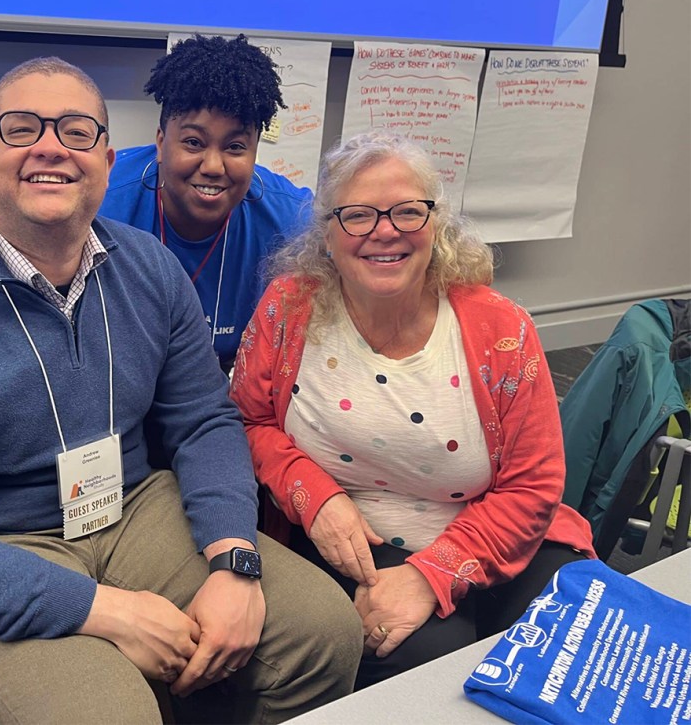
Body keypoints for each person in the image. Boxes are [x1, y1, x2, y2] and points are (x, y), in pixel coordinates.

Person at [0, 57, 361, 724]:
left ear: (109, 160)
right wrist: (107, 611)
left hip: (133, 504)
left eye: (77, 131)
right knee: (111, 713)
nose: (50, 146)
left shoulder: (152, 268)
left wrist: (235, 554)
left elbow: (203, 421)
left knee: (323, 631)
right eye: (22, 128)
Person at [229, 131, 596, 690]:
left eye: (407, 211)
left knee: (582, 646)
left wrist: (433, 575)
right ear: (327, 233)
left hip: (500, 537)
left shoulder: (501, 329)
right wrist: (312, 493)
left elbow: (533, 488)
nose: (385, 231)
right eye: (357, 215)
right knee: (426, 669)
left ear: (436, 224)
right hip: (357, 551)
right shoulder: (289, 307)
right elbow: (248, 422)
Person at [99, 34, 313, 371]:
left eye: (235, 147)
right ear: (160, 141)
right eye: (193, 142)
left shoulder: (292, 221)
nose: (213, 166)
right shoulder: (101, 202)